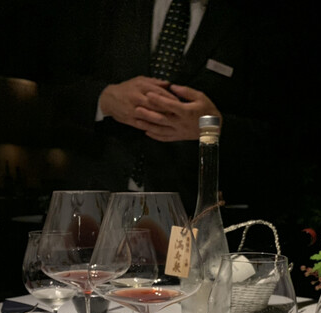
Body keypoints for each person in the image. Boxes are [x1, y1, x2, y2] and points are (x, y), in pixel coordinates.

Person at [42, 0, 277, 217]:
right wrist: (104, 99)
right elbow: (50, 90)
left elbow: (275, 137)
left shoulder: (254, 20)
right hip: (93, 200)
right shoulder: (101, 7)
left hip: (191, 213)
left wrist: (211, 127)